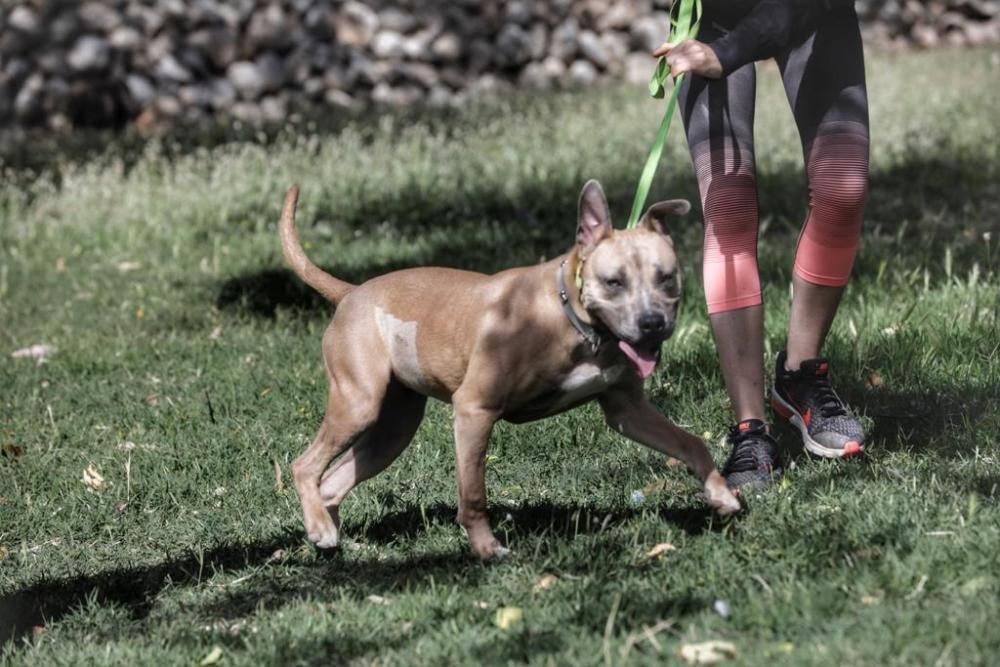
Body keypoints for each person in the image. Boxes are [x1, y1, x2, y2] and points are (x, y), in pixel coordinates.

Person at [652, 0, 869, 490]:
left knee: (843, 186)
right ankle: (751, 427)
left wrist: (727, 53)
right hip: (714, 12)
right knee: (727, 202)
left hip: (813, 13)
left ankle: (800, 375)